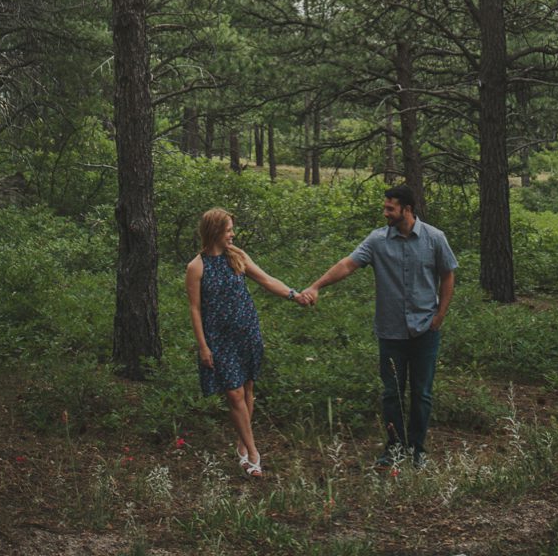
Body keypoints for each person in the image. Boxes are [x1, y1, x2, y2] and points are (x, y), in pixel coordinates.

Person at [301, 184, 457, 468]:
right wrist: (316, 286)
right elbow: (346, 265)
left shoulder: (435, 238)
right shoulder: (377, 241)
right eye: (385, 207)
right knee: (391, 393)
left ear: (407, 209)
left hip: (425, 330)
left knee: (421, 393)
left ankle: (418, 451)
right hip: (391, 331)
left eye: (390, 208)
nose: (385, 212)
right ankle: (394, 448)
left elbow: (447, 276)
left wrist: (439, 317)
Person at [185, 206, 309, 477]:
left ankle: (242, 443)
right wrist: (203, 345)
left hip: (246, 332)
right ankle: (254, 453)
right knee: (234, 392)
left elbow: (265, 279)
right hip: (218, 338)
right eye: (228, 229)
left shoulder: (237, 256)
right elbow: (195, 308)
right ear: (215, 231)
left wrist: (294, 295)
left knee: (248, 388)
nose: (232, 234)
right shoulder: (196, 267)